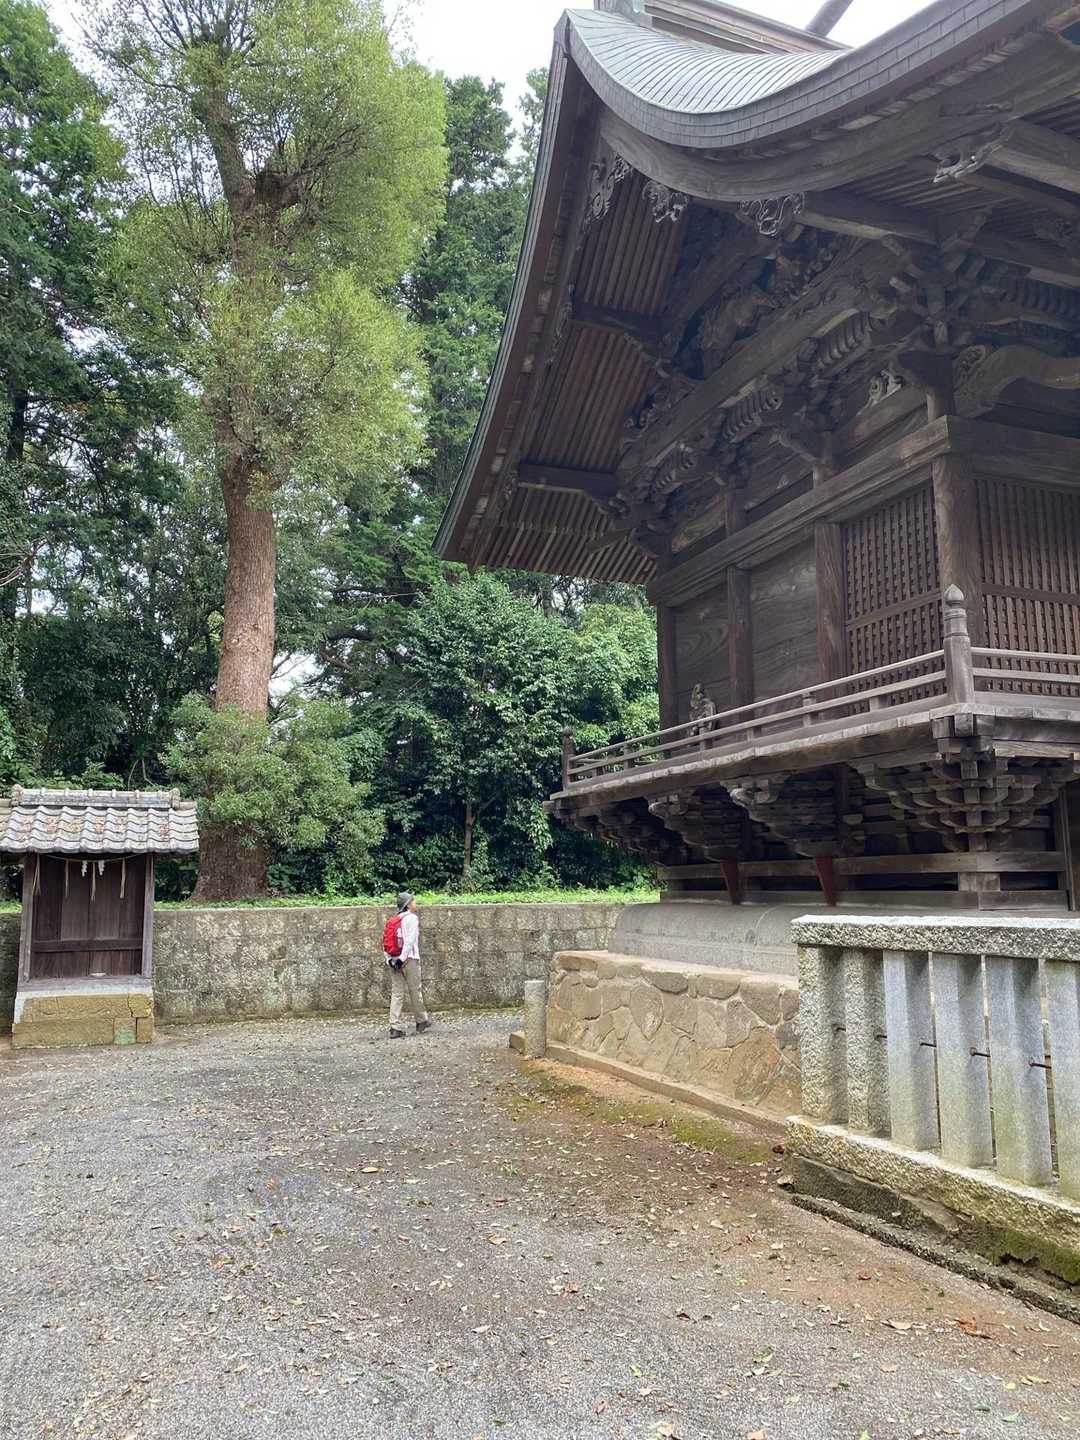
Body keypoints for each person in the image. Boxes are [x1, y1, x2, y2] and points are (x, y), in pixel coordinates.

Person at [387, 891, 432, 1039]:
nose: (415, 902)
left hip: (394, 960)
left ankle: (394, 1027)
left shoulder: (393, 920)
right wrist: (402, 958)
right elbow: (410, 940)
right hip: (409, 959)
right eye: (413, 900)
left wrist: (391, 960)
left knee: (397, 993)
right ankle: (421, 1020)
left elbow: (386, 943)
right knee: (415, 990)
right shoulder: (412, 918)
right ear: (407, 904)